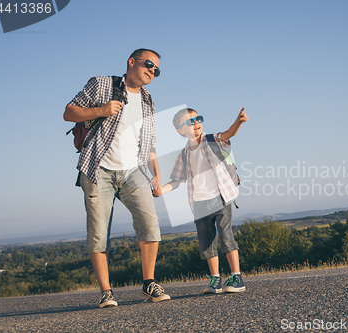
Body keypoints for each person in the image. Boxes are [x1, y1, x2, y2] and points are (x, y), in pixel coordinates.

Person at [63, 48, 170, 308]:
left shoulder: (147, 99)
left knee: (150, 225)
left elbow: (150, 144)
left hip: (134, 171)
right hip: (98, 169)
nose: (152, 71)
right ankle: (106, 292)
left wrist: (157, 176)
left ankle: (149, 283)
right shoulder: (102, 84)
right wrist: (101, 110)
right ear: (131, 62)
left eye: (156, 69)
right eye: (148, 64)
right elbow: (68, 112)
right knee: (98, 233)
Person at [160, 107, 248, 294]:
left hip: (221, 196)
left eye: (198, 118)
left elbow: (228, 134)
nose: (197, 122)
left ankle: (236, 276)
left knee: (226, 236)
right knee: (206, 242)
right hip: (199, 203)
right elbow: (176, 180)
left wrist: (238, 122)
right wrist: (162, 190)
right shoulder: (184, 154)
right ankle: (215, 279)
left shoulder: (211, 140)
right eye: (190, 121)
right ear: (181, 131)